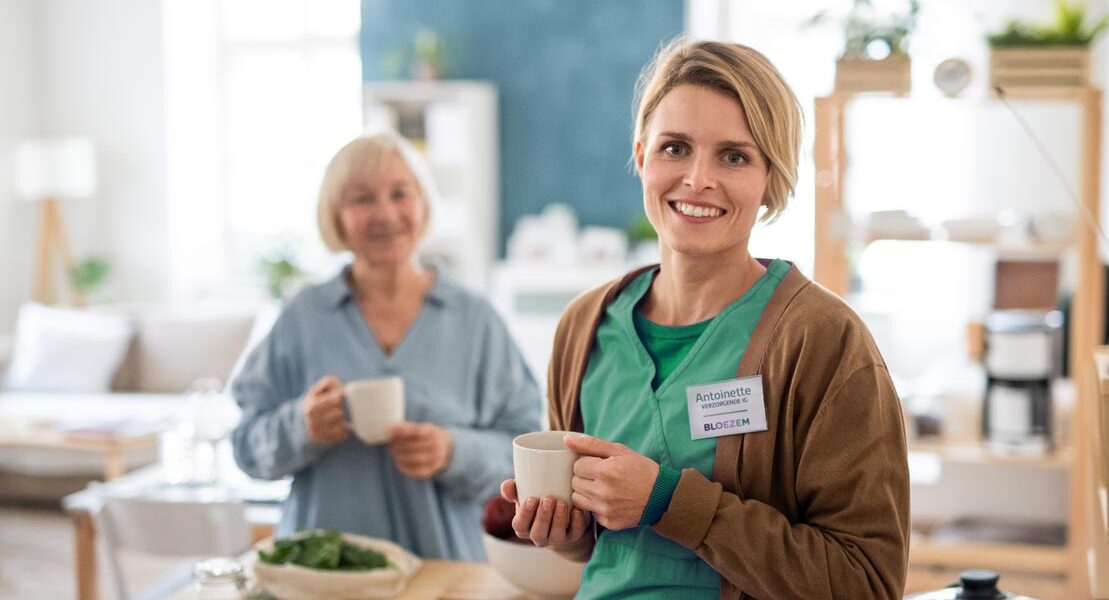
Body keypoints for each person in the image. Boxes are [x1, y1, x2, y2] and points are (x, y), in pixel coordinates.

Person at [499, 39, 910, 598]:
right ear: (641, 155)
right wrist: (566, 529)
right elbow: (604, 549)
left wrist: (671, 502)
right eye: (675, 148)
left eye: (734, 156)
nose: (697, 179)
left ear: (771, 180)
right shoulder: (584, 327)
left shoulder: (823, 340)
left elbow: (866, 582)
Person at [232, 131, 541, 562]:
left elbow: (526, 453)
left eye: (400, 193)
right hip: (320, 573)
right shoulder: (303, 317)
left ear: (423, 204)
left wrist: (453, 451)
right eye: (362, 199)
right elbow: (246, 447)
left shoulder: (475, 320)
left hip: (444, 573)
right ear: (336, 215)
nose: (385, 214)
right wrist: (300, 427)